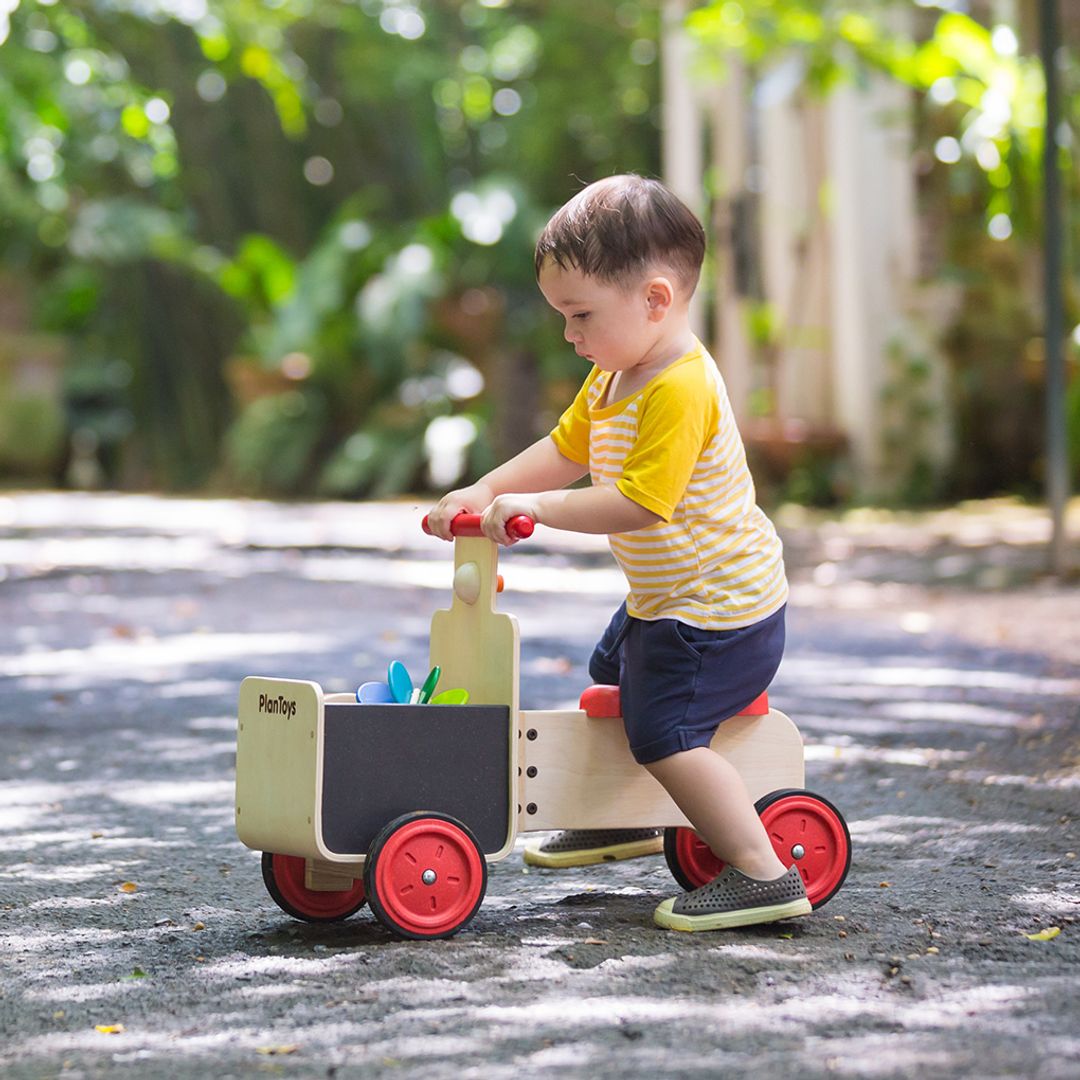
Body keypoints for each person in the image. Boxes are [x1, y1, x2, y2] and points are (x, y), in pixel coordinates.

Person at [426, 174, 811, 931]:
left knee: (663, 731)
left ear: (655, 301)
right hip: (667, 601)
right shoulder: (612, 377)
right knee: (610, 678)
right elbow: (564, 449)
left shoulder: (680, 388)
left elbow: (638, 501)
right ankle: (623, 814)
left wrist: (536, 510)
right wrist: (483, 490)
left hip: (721, 612)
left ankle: (763, 873)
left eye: (580, 316)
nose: (570, 336)